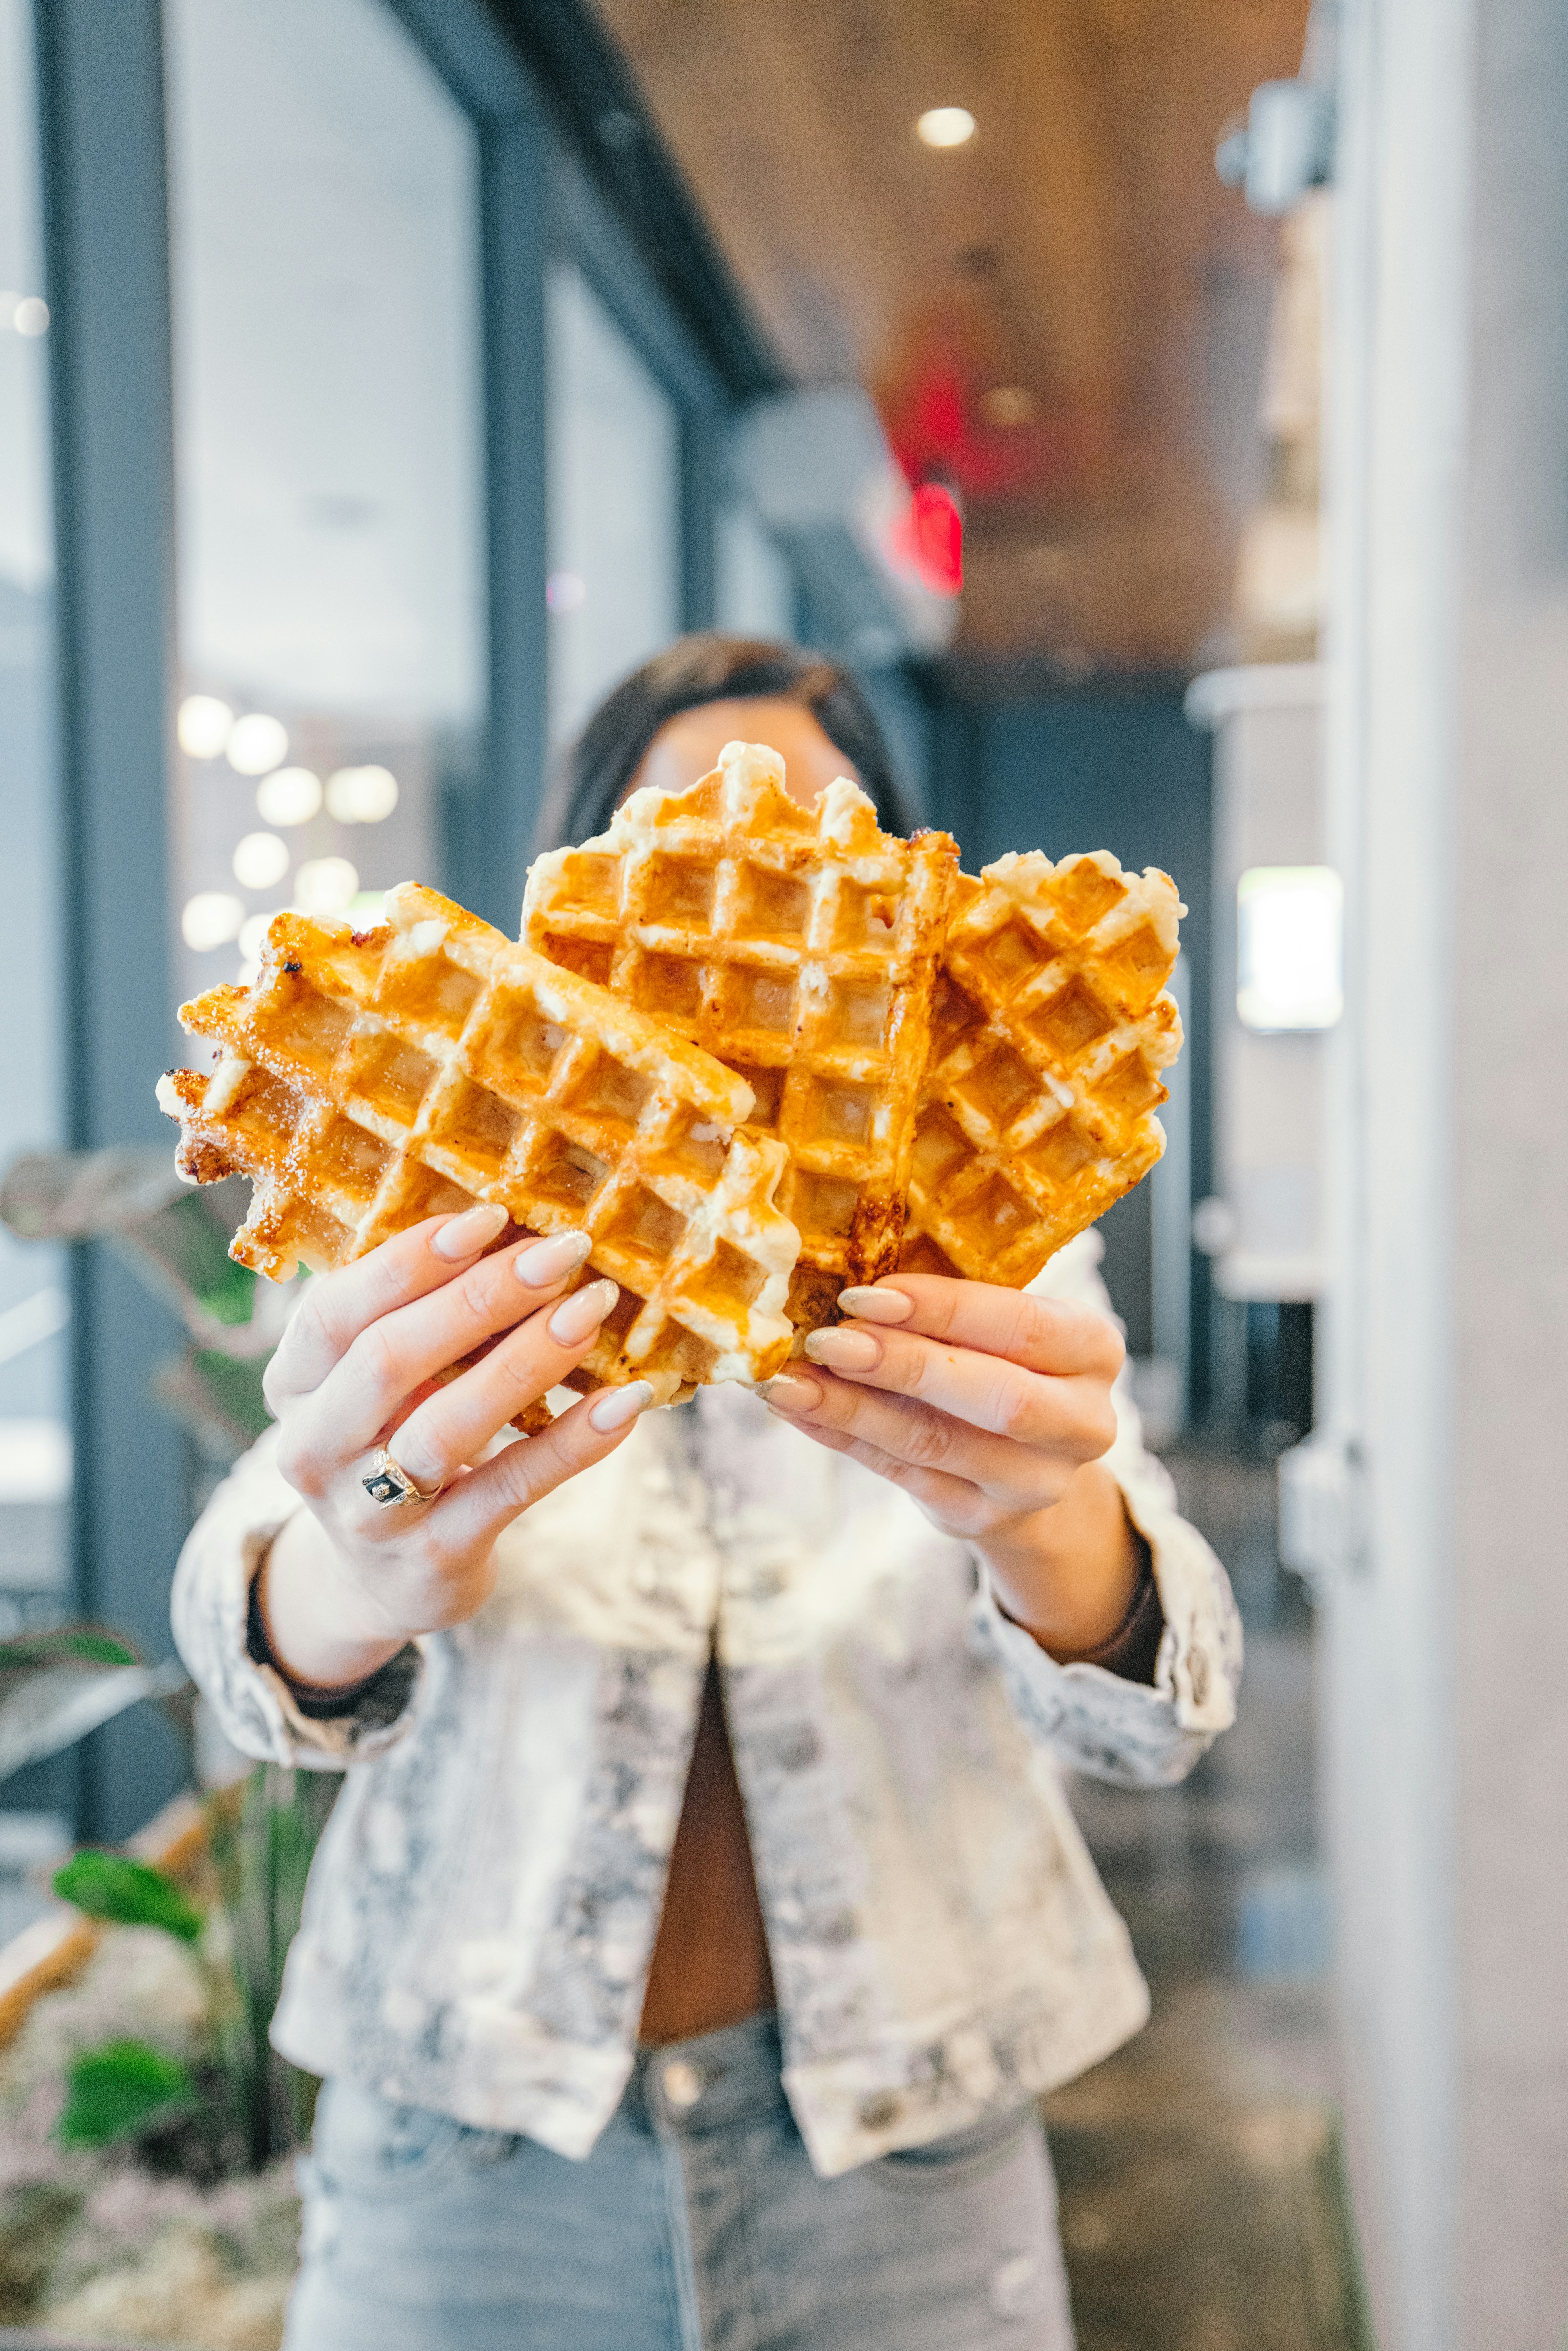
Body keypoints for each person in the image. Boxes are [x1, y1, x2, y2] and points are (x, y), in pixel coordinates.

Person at [174, 632, 1241, 2351]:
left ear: (904, 909)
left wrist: (1042, 1524)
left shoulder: (992, 1263)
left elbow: (1155, 1726)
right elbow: (250, 1653)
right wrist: (361, 1573)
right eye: (686, 818)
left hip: (912, 2138)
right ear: (582, 901)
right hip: (466, 2146)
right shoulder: (441, 1239)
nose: (765, 854)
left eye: (823, 823)